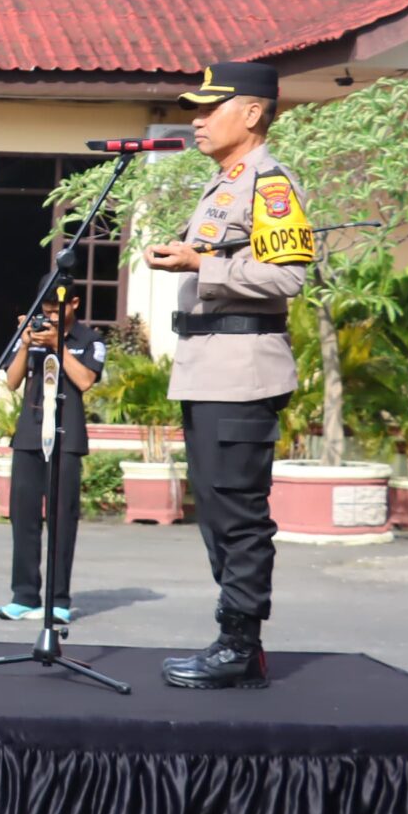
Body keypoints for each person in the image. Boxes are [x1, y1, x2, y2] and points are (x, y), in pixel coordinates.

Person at [148, 60, 314, 691]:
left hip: (242, 373)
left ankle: (239, 644)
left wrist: (199, 263)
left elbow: (286, 278)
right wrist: (188, 254)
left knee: (238, 515)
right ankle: (238, 642)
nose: (195, 120)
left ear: (250, 113)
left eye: (208, 109)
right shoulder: (225, 185)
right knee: (217, 512)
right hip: (208, 371)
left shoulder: (269, 185)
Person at [0, 288, 103, 627]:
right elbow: (11, 382)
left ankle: (58, 600)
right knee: (22, 516)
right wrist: (26, 343)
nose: (51, 315)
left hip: (66, 435)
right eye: (47, 309)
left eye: (58, 308)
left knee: (61, 519)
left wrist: (58, 345)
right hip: (29, 433)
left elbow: (85, 381)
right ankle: (23, 596)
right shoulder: (32, 331)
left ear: (74, 304)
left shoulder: (90, 340)